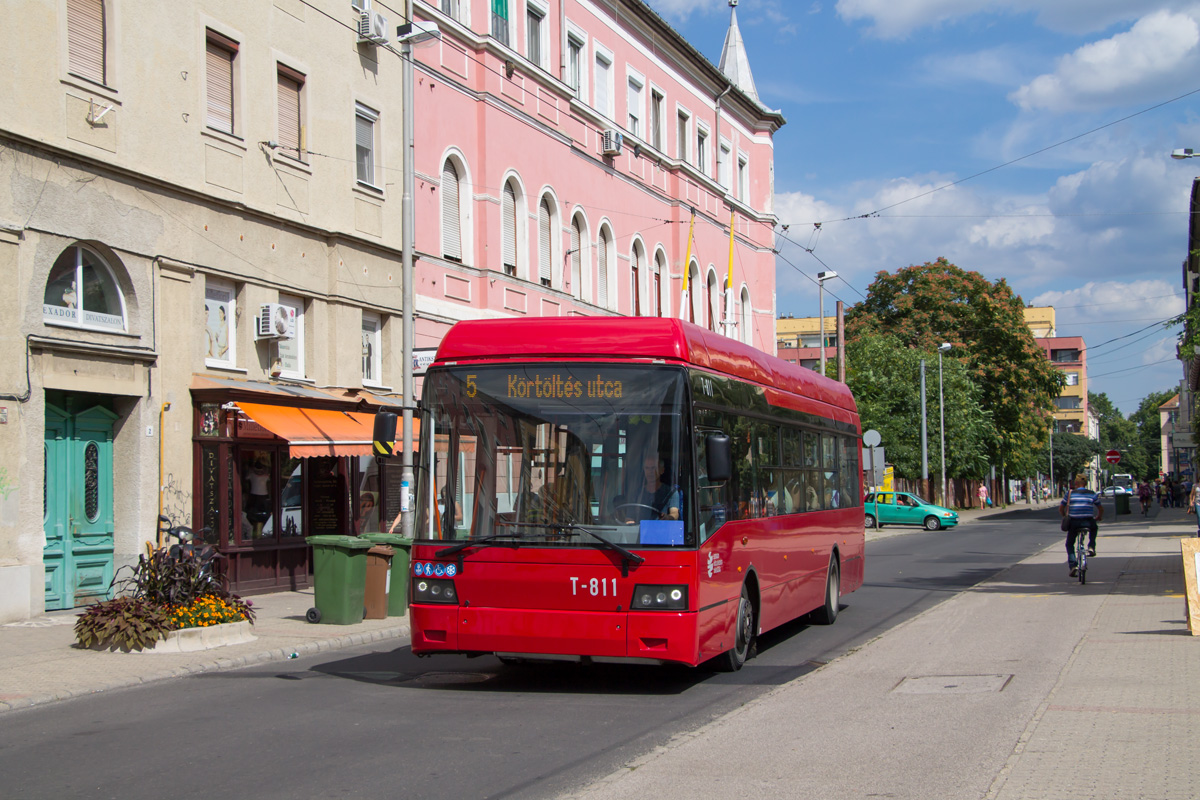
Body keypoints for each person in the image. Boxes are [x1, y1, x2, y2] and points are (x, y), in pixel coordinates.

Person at [1060, 475, 1102, 577]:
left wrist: (1065, 516)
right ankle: (1091, 546)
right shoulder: (1092, 494)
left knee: (1070, 544)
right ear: (1086, 483)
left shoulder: (1070, 494)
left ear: (1075, 483)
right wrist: (1098, 517)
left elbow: (1061, 508)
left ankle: (1073, 565)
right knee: (1094, 528)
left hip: (1074, 522)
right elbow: (1101, 508)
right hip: (1088, 521)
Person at [618, 455, 681, 523]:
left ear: (662, 470)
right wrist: (630, 523)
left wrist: (668, 518)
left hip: (662, 529)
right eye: (647, 468)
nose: (650, 471)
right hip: (640, 529)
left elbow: (674, 514)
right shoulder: (637, 493)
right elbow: (629, 518)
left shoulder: (671, 492)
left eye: (653, 468)